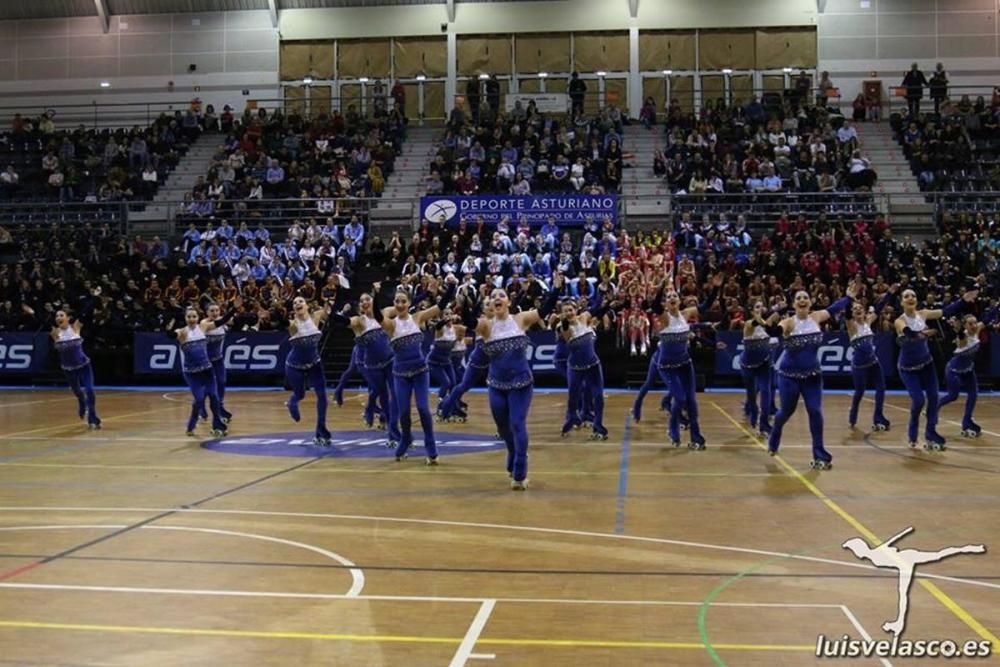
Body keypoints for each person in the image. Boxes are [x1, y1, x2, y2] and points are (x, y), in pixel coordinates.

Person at [476, 283, 559, 490]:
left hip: (521, 384)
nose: (497, 298)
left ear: (508, 302)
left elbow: (544, 310)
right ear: (490, 303)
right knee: (503, 428)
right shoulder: (487, 325)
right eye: (493, 296)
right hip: (496, 385)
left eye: (501, 295)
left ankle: (520, 471)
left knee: (517, 423)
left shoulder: (520, 320)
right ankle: (513, 452)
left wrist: (556, 288)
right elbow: (470, 321)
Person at [767, 288, 855, 469]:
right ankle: (775, 433)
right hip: (788, 377)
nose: (802, 300)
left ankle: (819, 453)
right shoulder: (789, 323)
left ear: (810, 302)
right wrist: (772, 326)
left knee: (815, 411)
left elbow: (834, 308)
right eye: (798, 298)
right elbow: (777, 330)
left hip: (813, 376)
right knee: (786, 412)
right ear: (793, 304)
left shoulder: (816, 317)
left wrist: (848, 297)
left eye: (805, 297)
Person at [379, 278, 454, 463]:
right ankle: (405, 439)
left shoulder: (418, 317)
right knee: (403, 412)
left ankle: (431, 445)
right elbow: (376, 314)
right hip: (400, 374)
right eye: (397, 301)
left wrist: (451, 286)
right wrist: (376, 294)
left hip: (421, 371)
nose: (400, 304)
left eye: (403, 301)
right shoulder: (391, 325)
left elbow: (441, 305)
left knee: (423, 408)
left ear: (409, 303)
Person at [894, 288, 977, 450]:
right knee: (918, 401)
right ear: (902, 302)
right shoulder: (899, 321)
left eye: (913, 295)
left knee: (933, 398)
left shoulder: (923, 313)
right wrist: (924, 334)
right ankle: (912, 431)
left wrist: (963, 300)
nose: (910, 298)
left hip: (927, 365)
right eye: (906, 296)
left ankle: (930, 433)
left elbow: (945, 311)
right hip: (908, 369)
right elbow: (909, 333)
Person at [650, 275, 721, 449]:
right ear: (665, 303)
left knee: (691, 402)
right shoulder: (664, 318)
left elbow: (704, 306)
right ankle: (672, 428)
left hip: (685, 365)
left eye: (674, 296)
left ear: (680, 300)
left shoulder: (686, 314)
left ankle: (696, 438)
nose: (672, 298)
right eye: (668, 297)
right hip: (667, 367)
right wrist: (661, 286)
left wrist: (716, 289)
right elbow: (653, 305)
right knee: (679, 398)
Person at [332, 294, 400, 445]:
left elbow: (404, 307)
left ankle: (392, 428)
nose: (364, 302)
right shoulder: (358, 321)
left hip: (389, 361)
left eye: (367, 299)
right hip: (366, 362)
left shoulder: (385, 313)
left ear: (373, 301)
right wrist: (335, 310)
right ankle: (371, 412)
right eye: (361, 301)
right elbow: (340, 320)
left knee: (394, 395)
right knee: (377, 392)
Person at [557, 296, 608, 440]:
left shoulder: (585, 317)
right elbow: (566, 330)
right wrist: (562, 319)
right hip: (575, 368)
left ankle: (599, 427)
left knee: (598, 397)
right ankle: (571, 419)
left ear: (576, 309)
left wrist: (608, 302)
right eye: (565, 311)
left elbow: (598, 311)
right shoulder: (564, 328)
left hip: (593, 365)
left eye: (571, 310)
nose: (569, 313)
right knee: (573, 398)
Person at [170, 307, 227, 438]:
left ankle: (217, 426)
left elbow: (221, 321)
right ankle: (191, 424)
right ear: (185, 318)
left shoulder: (203, 327)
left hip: (207, 370)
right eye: (189, 317)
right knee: (199, 399)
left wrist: (233, 310)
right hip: (192, 374)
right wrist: (170, 326)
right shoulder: (182, 332)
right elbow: (172, 335)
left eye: (194, 316)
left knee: (214, 397)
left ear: (198, 317)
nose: (191, 319)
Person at [284, 296, 332, 445]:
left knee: (323, 396)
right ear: (294, 309)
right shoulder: (293, 324)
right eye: (295, 303)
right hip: (294, 367)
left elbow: (328, 312)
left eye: (300, 301)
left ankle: (321, 430)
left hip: (315, 364)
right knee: (300, 394)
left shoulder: (316, 316)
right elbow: (286, 323)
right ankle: (292, 402)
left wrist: (329, 305)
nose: (298, 303)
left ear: (306, 305)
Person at [846, 293, 892, 432]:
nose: (858, 309)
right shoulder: (851, 326)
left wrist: (890, 293)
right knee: (859, 391)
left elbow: (878, 308)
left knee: (881, 388)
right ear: (852, 313)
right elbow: (847, 313)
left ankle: (878, 416)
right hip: (859, 366)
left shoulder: (868, 322)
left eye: (860, 308)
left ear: (865, 311)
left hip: (873, 363)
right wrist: (849, 298)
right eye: (855, 309)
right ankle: (853, 413)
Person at [51, 304, 101, 430]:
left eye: (61, 315)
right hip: (68, 369)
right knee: (78, 392)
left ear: (68, 318)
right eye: (56, 316)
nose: (58, 317)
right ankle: (81, 402)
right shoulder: (55, 332)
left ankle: (92, 417)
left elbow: (86, 312)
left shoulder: (75, 327)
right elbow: (39, 320)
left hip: (84, 365)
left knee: (89, 390)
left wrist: (93, 298)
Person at [939, 314, 984, 438]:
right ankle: (934, 407)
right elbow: (961, 337)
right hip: (954, 370)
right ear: (965, 325)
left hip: (968, 370)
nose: (974, 326)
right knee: (953, 396)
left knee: (974, 394)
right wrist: (958, 329)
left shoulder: (978, 328)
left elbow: (985, 320)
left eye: (975, 322)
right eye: (970, 324)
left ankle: (967, 421)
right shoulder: (962, 339)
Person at [740, 300, 780, 437]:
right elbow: (756, 322)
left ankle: (764, 424)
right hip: (748, 366)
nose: (760, 309)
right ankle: (753, 410)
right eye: (757, 307)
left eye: (761, 306)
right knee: (751, 395)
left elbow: (773, 322)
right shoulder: (748, 325)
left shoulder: (765, 323)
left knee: (766, 391)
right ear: (751, 310)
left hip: (764, 363)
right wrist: (767, 320)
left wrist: (779, 310)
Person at [204, 301, 236, 424]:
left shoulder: (223, 323)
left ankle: (220, 407)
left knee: (222, 382)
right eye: (212, 311)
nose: (215, 313)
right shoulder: (204, 324)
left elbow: (235, 322)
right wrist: (233, 309)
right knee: (208, 388)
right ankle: (201, 408)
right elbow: (220, 322)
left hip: (218, 360)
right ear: (207, 312)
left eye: (217, 310)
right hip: (205, 362)